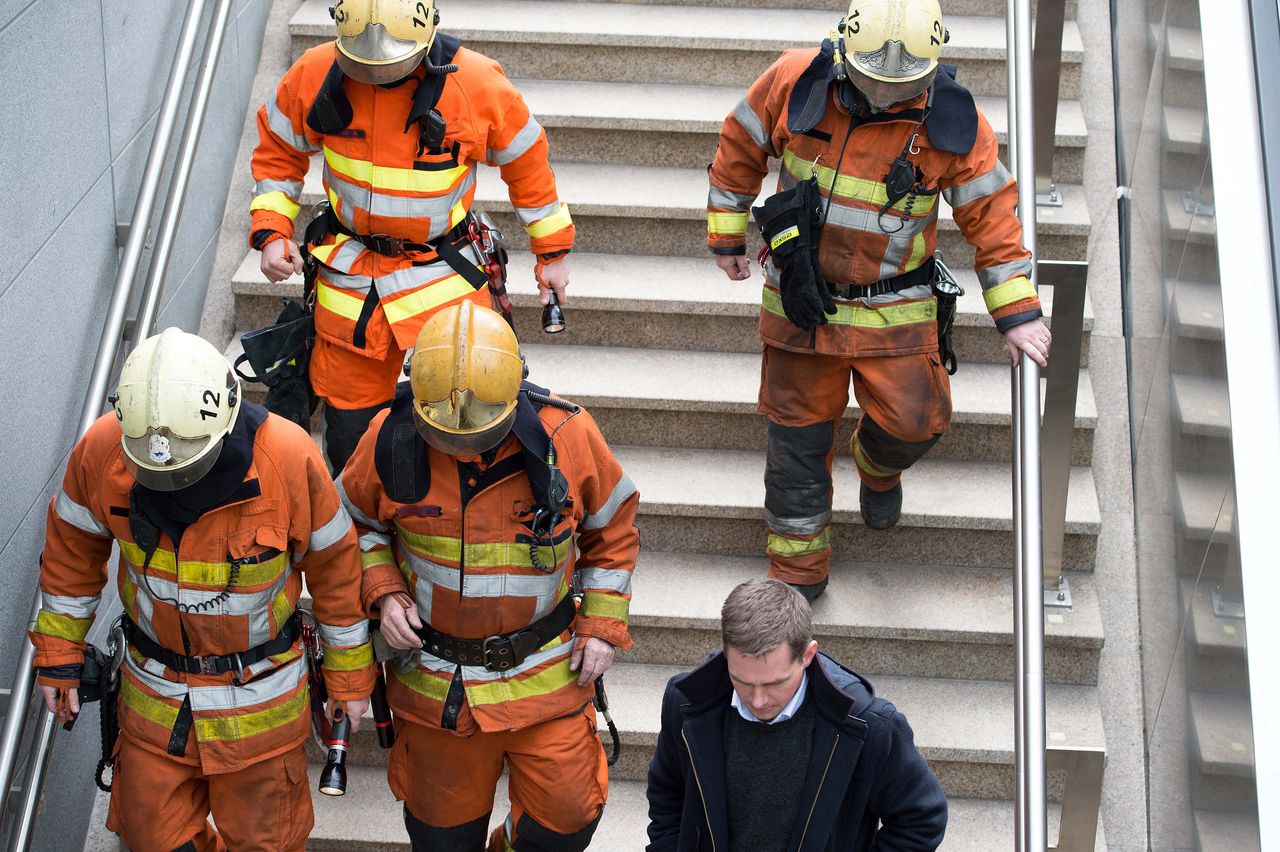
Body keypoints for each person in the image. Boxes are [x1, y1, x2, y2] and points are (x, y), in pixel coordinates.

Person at [706, 0, 1053, 601]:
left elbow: (994, 219)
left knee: (918, 422)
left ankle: (876, 461)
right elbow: (740, 146)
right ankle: (797, 576)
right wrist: (727, 233)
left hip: (895, 306)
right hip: (802, 303)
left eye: (901, 88)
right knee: (796, 446)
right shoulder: (794, 81)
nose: (885, 97)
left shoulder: (954, 124)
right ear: (845, 51)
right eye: (872, 83)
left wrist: (1017, 313)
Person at [30, 328, 375, 851]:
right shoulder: (104, 450)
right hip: (154, 706)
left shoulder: (285, 456)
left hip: (259, 711)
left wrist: (350, 681)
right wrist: (58, 655)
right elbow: (70, 557)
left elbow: (338, 573)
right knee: (153, 839)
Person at [338, 302, 639, 850]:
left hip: (547, 672)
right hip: (437, 683)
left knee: (567, 823)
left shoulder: (567, 436)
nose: (460, 446)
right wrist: (383, 591)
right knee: (441, 838)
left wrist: (601, 625)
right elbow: (351, 527)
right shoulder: (388, 438)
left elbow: (611, 531)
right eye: (446, 436)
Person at [250, 0, 574, 471]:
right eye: (364, 66)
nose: (377, 76)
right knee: (351, 436)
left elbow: (528, 165)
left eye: (390, 67)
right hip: (351, 286)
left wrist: (553, 253)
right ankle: (358, 532)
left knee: (460, 419)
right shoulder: (314, 72)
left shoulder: (476, 83)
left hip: (443, 280)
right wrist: (272, 230)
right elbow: (279, 153)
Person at [645, 578, 947, 850]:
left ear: (808, 655)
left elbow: (921, 819)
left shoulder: (869, 725)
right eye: (743, 681)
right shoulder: (686, 703)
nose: (759, 701)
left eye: (775, 683)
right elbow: (667, 793)